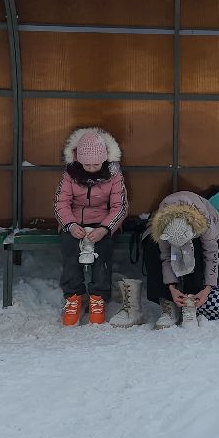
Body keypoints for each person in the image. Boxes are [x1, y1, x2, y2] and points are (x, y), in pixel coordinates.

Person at [145, 190, 219, 328]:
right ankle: (168, 303)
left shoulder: (205, 222)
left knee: (196, 248)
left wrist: (208, 288)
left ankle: (192, 299)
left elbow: (212, 254)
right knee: (151, 243)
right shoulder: (162, 225)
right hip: (171, 226)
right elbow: (166, 255)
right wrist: (171, 287)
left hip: (203, 228)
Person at [53, 126, 127, 326]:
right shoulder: (70, 174)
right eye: (87, 164)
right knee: (70, 251)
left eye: (96, 164)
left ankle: (98, 297)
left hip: (102, 222)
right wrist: (69, 225)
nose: (92, 167)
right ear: (79, 160)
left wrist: (105, 228)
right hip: (74, 221)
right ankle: (74, 297)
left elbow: (120, 206)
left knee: (102, 252)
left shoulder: (114, 175)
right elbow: (61, 202)